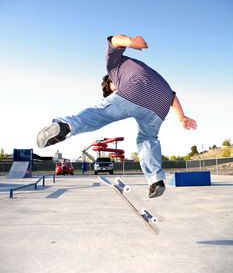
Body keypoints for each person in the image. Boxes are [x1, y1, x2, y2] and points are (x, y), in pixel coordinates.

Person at [37, 34, 197, 198]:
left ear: (109, 81)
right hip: (160, 105)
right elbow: (171, 95)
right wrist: (182, 117)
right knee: (148, 139)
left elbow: (113, 40)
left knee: (100, 113)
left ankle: (66, 126)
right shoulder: (138, 67)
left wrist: (130, 42)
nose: (115, 92)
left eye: (112, 91)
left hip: (137, 90)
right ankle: (156, 180)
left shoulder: (113, 67)